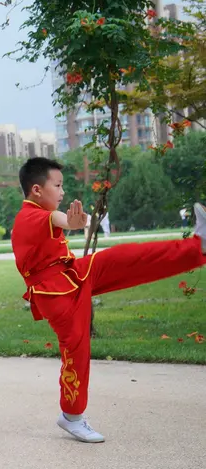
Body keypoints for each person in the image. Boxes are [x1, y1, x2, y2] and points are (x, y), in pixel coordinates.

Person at [11, 157, 206, 443]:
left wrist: (73, 222)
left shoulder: (39, 213)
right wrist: (72, 222)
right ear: (37, 190)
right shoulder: (32, 215)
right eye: (58, 185)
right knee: (76, 352)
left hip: (72, 275)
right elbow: (58, 219)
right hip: (56, 294)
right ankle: (72, 417)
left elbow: (61, 220)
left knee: (125, 257)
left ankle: (197, 246)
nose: (63, 191)